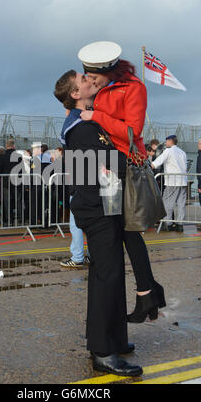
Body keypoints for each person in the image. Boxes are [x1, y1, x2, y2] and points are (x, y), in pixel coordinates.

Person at [54, 69, 143, 377]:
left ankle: (117, 338)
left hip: (108, 204)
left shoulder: (91, 120)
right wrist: (131, 156)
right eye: (84, 79)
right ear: (76, 95)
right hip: (97, 208)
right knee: (105, 278)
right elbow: (96, 167)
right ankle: (102, 351)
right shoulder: (79, 128)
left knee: (114, 274)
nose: (91, 80)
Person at [77, 41, 165, 323]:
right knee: (125, 233)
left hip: (126, 164)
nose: (91, 81)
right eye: (87, 77)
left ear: (109, 71)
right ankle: (148, 291)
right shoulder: (102, 88)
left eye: (94, 77)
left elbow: (132, 131)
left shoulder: (134, 87)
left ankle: (147, 292)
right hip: (109, 167)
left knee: (128, 231)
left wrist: (97, 116)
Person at [151, 135, 187, 232]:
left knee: (167, 202)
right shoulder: (182, 152)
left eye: (166, 141)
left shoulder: (168, 151)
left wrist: (151, 165)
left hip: (172, 180)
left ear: (171, 141)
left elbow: (158, 161)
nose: (165, 143)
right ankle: (180, 224)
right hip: (183, 181)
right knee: (181, 203)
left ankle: (168, 223)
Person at [0, 139, 23, 226]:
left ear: (6, 146)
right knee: (18, 200)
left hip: (6, 181)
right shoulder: (19, 156)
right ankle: (20, 219)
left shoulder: (2, 157)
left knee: (7, 201)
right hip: (16, 181)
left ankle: (9, 220)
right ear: (13, 146)